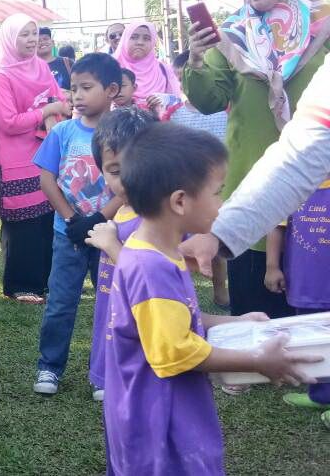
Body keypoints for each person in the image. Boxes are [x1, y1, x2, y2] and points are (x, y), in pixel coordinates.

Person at [105, 122, 320, 475]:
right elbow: (174, 351)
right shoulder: (150, 267)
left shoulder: (158, 252)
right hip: (159, 419)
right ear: (179, 201)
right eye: (218, 193)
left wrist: (236, 321)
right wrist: (255, 361)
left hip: (165, 406)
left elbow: (173, 321)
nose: (222, 205)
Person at [183, 0, 330, 321]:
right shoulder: (234, 38)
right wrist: (197, 59)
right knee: (253, 276)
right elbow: (208, 99)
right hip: (257, 171)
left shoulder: (323, 29)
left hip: (321, 184)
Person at [32, 53, 122, 396]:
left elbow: (130, 182)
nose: (77, 96)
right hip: (66, 235)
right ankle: (49, 367)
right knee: (60, 301)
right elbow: (47, 179)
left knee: (110, 305)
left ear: (111, 89)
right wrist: (71, 220)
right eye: (73, 89)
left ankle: (105, 370)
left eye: (87, 87)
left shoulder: (123, 131)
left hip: (110, 236)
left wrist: (101, 217)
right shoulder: (63, 132)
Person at [0, 14, 69, 304]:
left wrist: (54, 109)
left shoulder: (42, 68)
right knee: (22, 225)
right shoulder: (0, 77)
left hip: (45, 154)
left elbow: (59, 101)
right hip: (15, 160)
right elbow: (8, 122)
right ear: (9, 38)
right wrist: (46, 111)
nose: (32, 39)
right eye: (24, 34)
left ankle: (43, 281)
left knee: (46, 218)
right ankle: (19, 285)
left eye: (34, 33)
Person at [81, 107, 158, 402]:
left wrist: (112, 244)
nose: (124, 178)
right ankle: (105, 373)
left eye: (134, 164)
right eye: (113, 170)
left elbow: (149, 278)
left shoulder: (156, 218)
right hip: (112, 305)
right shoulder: (123, 211)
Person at [263, 178, 330, 412]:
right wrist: (272, 266)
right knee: (312, 340)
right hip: (307, 281)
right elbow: (277, 226)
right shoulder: (296, 183)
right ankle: (320, 396)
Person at [114, 21, 182, 102]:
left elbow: (176, 102)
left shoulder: (164, 70)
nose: (140, 42)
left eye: (146, 38)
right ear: (125, 39)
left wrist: (164, 100)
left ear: (153, 42)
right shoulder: (111, 68)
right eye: (134, 37)